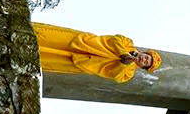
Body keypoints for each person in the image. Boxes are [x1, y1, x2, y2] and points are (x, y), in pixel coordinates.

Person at [33, 23, 162, 83]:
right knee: (48, 37)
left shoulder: (127, 74)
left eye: (146, 63)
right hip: (83, 43)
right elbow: (115, 40)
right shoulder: (128, 43)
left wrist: (124, 64)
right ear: (145, 53)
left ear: (142, 67)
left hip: (82, 62)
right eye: (146, 58)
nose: (144, 60)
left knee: (47, 58)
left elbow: (114, 74)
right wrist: (123, 54)